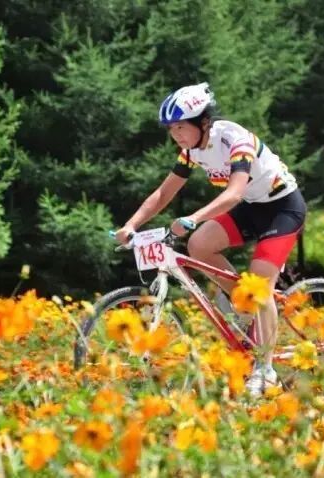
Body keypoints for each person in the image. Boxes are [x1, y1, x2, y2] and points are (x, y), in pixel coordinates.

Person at [114, 83, 307, 396]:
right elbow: (164, 193)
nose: (175, 135)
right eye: (171, 129)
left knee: (259, 287)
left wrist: (194, 217)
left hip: (283, 208)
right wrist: (131, 224)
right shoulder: (191, 150)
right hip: (253, 208)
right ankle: (245, 308)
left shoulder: (234, 139)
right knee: (199, 245)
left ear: (202, 122)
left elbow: (234, 193)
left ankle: (265, 368)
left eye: (180, 127)